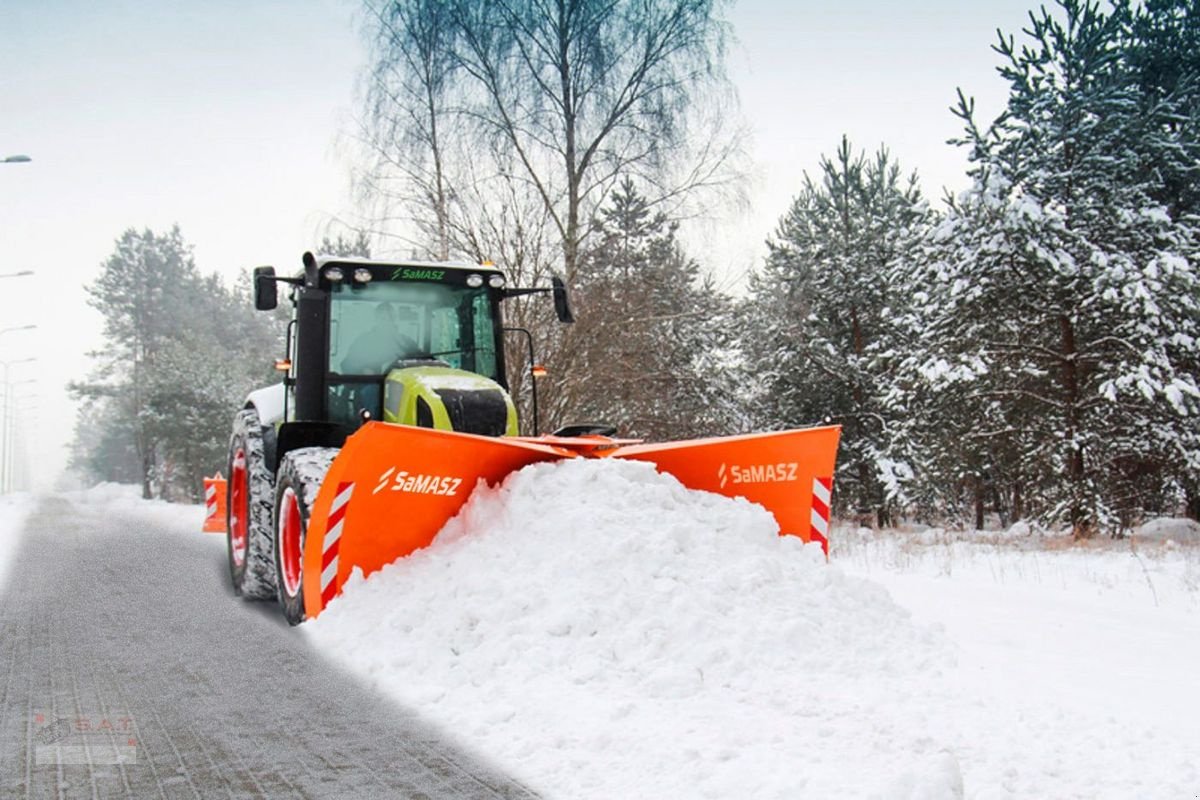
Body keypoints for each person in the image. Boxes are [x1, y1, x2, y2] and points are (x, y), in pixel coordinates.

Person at [341, 302, 422, 374]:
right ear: (376, 319)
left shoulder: (407, 343)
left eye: (391, 318)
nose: (387, 321)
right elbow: (347, 365)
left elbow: (421, 363)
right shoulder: (363, 341)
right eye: (383, 318)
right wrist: (362, 371)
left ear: (395, 319)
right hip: (371, 383)